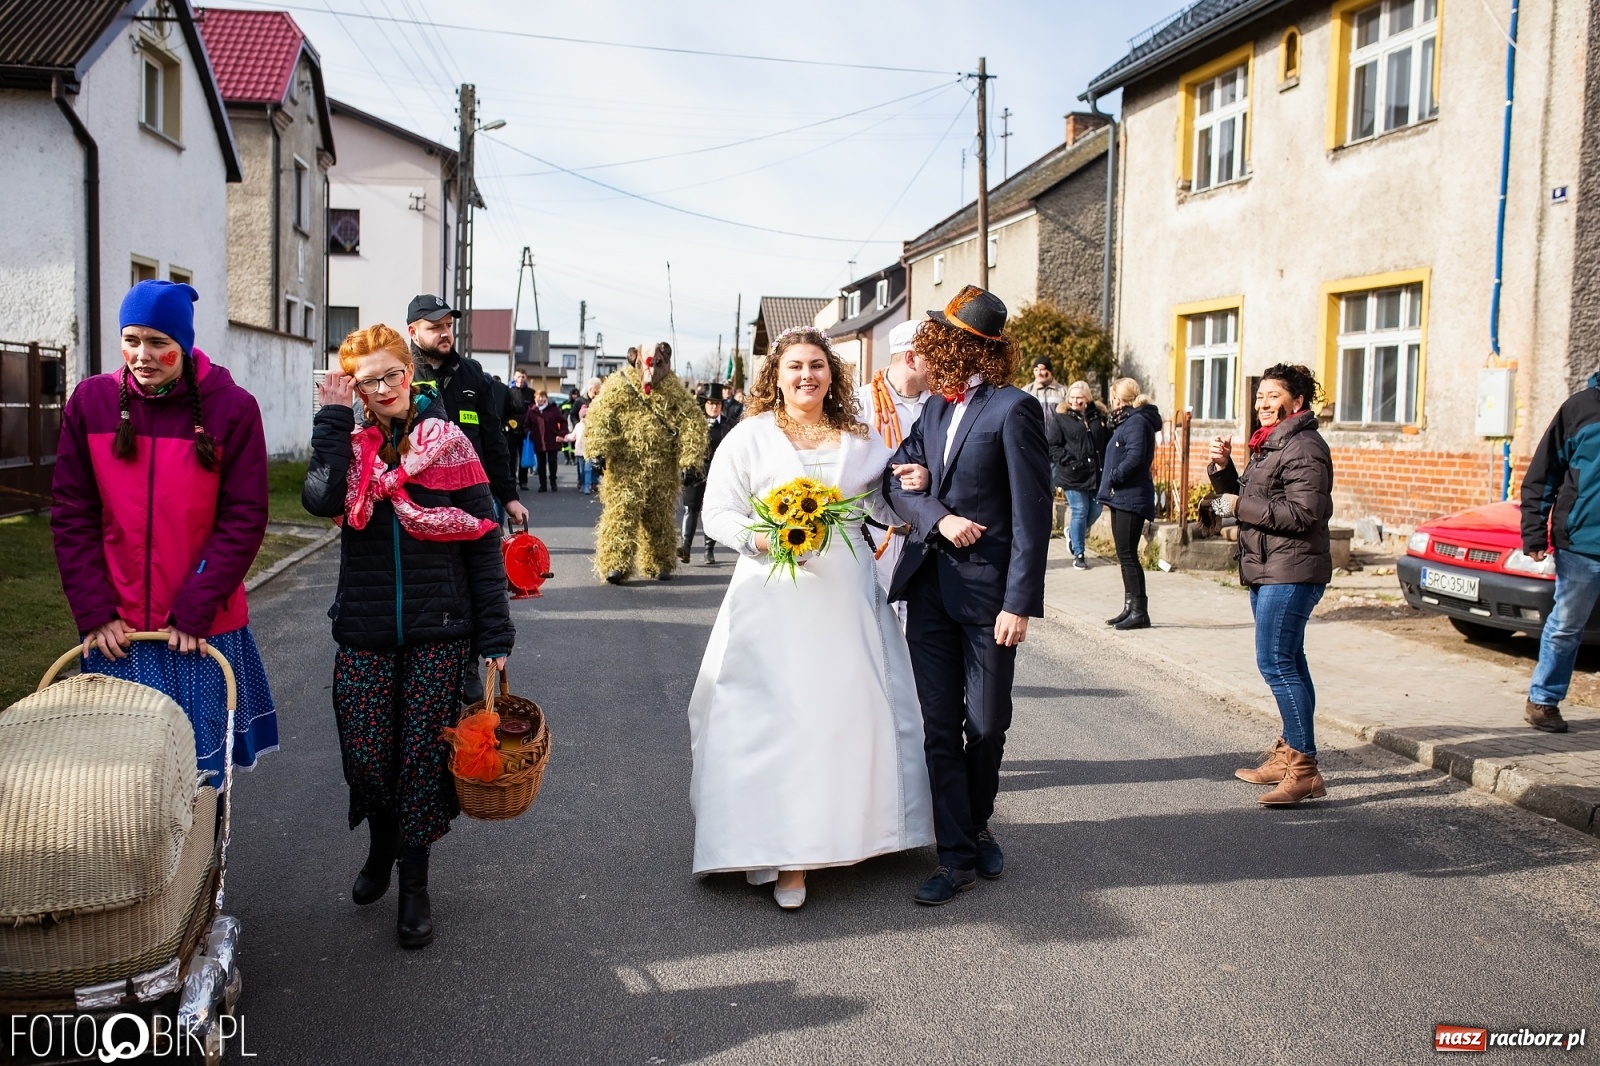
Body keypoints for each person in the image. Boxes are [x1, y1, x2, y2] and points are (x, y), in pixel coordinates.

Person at [689, 326, 934, 910]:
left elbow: (879, 502)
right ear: (776, 374)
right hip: (771, 595)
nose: (807, 375)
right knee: (773, 716)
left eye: (818, 365)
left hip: (844, 596)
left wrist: (913, 488)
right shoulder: (749, 437)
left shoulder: (861, 437)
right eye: (795, 365)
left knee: (843, 713)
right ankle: (785, 853)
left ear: (833, 374)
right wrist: (763, 539)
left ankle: (853, 832)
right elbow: (716, 512)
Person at [302, 324, 515, 949]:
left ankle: (415, 883)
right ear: (355, 389)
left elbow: (480, 537)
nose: (386, 388)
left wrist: (494, 633)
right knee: (368, 755)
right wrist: (332, 422)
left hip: (439, 628)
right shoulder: (351, 445)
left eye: (393, 373)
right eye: (369, 381)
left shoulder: (447, 443)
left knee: (421, 759)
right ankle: (382, 842)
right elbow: (318, 499)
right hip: (366, 628)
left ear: (408, 371)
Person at [52, 278, 278, 782]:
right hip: (118, 633)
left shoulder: (233, 408)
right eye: (132, 339)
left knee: (199, 779)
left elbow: (244, 517)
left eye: (159, 343)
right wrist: (93, 612)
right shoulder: (89, 403)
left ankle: (205, 864)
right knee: (123, 781)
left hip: (200, 631)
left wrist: (195, 608)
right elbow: (72, 514)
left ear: (185, 344)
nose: (142, 355)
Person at [883, 285, 1052, 906]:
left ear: (961, 345)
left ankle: (977, 822)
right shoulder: (931, 409)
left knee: (985, 725)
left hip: (987, 598)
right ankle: (954, 854)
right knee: (937, 728)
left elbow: (1034, 519)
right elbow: (895, 481)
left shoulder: (1015, 410)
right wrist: (936, 513)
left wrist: (1019, 603)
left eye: (939, 337)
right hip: (929, 589)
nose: (927, 349)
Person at [1208, 364, 1334, 806]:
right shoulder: (1272, 444)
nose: (1262, 403)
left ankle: (1304, 770)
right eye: (1259, 395)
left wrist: (1237, 502)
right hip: (1270, 568)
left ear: (1296, 402)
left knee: (1276, 663)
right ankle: (1291, 757)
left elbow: (1303, 514)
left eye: (1272, 395)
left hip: (1291, 571)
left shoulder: (1304, 447)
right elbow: (1258, 500)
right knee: (1290, 662)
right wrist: (1224, 472)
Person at [1517, 372, 1600, 735]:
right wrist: (1534, 533)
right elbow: (1542, 475)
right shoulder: (1579, 409)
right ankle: (1543, 700)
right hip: (1582, 543)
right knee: (1566, 626)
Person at [585, 342, 707, 583]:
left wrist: (690, 461)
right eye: (644, 365)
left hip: (662, 469)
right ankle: (616, 564)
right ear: (635, 362)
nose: (650, 373)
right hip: (624, 468)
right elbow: (601, 414)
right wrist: (597, 449)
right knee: (621, 514)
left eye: (658, 365)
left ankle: (659, 561)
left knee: (659, 516)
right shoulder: (620, 385)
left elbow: (692, 423)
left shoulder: (674, 391)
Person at [404, 295, 528, 528]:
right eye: (435, 327)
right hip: (420, 501)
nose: (445, 333)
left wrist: (509, 497)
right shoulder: (401, 375)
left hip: (473, 497)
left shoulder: (472, 373)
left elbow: (493, 439)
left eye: (448, 326)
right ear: (413, 331)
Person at [855, 320, 930, 593]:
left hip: (926, 538)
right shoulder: (860, 403)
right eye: (933, 355)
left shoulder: (942, 404)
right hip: (873, 535)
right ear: (910, 358)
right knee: (876, 625)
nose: (944, 363)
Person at [1097, 378, 1161, 631]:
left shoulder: (1136, 421)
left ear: (1118, 398)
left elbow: (1135, 456)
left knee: (1128, 556)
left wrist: (1114, 476)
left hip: (1130, 496)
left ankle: (1139, 611)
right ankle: (1130, 607)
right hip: (1122, 496)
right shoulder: (1130, 420)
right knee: (1125, 557)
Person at [1046, 380, 1110, 570]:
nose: (1075, 401)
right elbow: (1052, 445)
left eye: (1079, 398)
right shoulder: (1061, 418)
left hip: (1095, 473)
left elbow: (1104, 441)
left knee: (1096, 511)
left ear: (1087, 399)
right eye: (1072, 398)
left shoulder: (1098, 416)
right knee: (1080, 510)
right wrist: (1068, 460)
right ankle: (1079, 553)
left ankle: (1072, 533)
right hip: (1072, 474)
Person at [679, 383, 732, 565]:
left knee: (711, 511)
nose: (714, 406)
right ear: (705, 404)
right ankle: (685, 548)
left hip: (719, 475)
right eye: (710, 403)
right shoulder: (695, 425)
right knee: (690, 509)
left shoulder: (729, 425)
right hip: (696, 473)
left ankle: (709, 550)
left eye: (717, 403)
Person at [527, 389, 567, 492]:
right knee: (541, 464)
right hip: (538, 441)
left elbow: (563, 422)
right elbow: (526, 426)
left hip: (552, 440)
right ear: (535, 398)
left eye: (543, 396)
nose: (541, 399)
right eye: (539, 397)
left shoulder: (553, 409)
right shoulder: (532, 411)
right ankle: (543, 484)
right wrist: (531, 433)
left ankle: (553, 482)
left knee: (552, 462)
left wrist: (561, 434)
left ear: (546, 398)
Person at [510, 369, 536, 490]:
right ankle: (511, 480)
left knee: (524, 456)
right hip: (511, 429)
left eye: (523, 377)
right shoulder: (509, 392)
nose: (521, 379)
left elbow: (534, 411)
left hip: (526, 430)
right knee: (511, 457)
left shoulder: (531, 393)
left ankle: (523, 481)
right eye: (519, 377)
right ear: (515, 378)